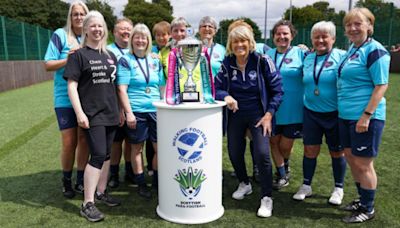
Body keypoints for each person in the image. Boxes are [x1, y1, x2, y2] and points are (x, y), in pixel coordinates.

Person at [215, 21, 283, 217]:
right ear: (230, 44)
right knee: (234, 152)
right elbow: (217, 88)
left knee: (262, 154)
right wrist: (226, 96)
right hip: (236, 115)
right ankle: (244, 183)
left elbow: (278, 90)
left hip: (259, 115)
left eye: (243, 41)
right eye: (235, 42)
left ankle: (266, 197)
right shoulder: (227, 63)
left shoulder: (262, 60)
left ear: (250, 42)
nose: (239, 45)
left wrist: (269, 114)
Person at [64, 11, 121, 222]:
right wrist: (79, 113)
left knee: (106, 155)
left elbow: (113, 86)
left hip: (111, 113)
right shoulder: (78, 55)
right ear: (86, 29)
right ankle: (87, 203)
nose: (97, 29)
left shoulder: (110, 55)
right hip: (92, 114)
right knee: (97, 155)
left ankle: (101, 192)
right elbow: (72, 86)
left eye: (100, 26)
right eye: (93, 26)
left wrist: (120, 111)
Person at [338, 8, 390, 223]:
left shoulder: (375, 51)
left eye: (358, 24)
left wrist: (366, 115)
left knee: (363, 164)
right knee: (351, 158)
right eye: (349, 25)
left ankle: (367, 209)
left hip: (365, 117)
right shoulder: (353, 49)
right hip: (347, 115)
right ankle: (362, 199)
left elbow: (381, 85)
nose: (352, 28)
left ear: (370, 26)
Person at [292, 21, 347, 206]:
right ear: (311, 40)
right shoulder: (307, 57)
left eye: (325, 36)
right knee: (310, 150)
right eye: (316, 37)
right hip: (311, 113)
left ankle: (338, 188)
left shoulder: (342, 56)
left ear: (333, 38)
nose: (320, 40)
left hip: (335, 113)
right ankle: (306, 185)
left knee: (336, 152)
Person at [44, 0, 89, 198]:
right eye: (75, 14)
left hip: (87, 97)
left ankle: (81, 180)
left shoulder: (91, 36)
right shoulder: (60, 35)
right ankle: (66, 180)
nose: (79, 17)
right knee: (69, 141)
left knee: (84, 139)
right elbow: (48, 64)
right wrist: (68, 59)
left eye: (82, 14)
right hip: (64, 97)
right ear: (70, 17)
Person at [117, 23, 165, 199]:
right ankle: (141, 183)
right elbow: (122, 89)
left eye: (144, 37)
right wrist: (128, 112)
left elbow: (161, 87)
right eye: (137, 37)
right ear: (132, 39)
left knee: (159, 148)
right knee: (136, 148)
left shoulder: (155, 60)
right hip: (136, 110)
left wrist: (163, 107)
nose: (140, 40)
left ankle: (158, 181)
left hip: (155, 110)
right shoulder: (125, 60)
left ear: (148, 40)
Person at [266, 20, 305, 190]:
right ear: (273, 37)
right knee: (273, 142)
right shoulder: (267, 55)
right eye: (278, 34)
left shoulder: (302, 54)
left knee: (285, 145)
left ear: (292, 35)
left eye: (285, 34)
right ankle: (282, 173)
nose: (282, 37)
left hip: (293, 109)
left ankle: (285, 163)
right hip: (272, 109)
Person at [106, 18, 135, 188]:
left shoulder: (138, 49)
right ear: (114, 32)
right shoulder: (107, 51)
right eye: (122, 29)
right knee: (116, 142)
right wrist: (119, 108)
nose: (125, 32)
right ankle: (114, 174)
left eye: (128, 29)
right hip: (114, 104)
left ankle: (130, 172)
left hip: (133, 104)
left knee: (132, 141)